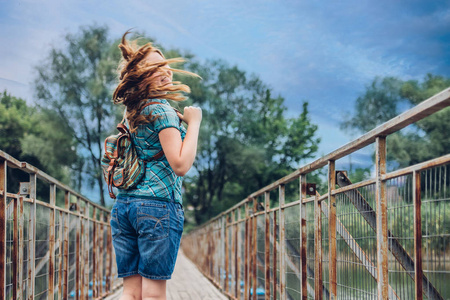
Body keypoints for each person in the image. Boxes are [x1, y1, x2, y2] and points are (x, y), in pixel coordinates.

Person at [109, 31, 202, 300]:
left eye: (166, 66)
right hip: (158, 206)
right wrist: (194, 123)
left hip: (124, 207)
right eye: (156, 67)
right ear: (140, 75)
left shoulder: (132, 111)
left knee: (131, 292)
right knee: (152, 294)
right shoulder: (161, 110)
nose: (167, 71)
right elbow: (181, 164)